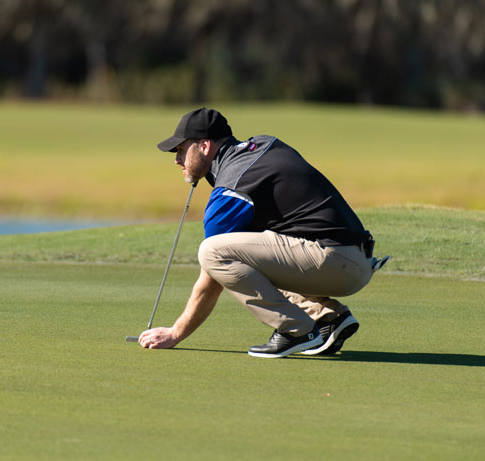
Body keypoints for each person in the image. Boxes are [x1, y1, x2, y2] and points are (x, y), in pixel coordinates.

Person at [138, 107, 388, 358]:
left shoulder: (234, 182)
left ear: (204, 146)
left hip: (334, 259)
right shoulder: (262, 146)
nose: (177, 159)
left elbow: (212, 274)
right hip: (351, 258)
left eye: (181, 150)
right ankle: (326, 317)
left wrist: (176, 332)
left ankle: (296, 330)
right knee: (249, 249)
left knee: (212, 252)